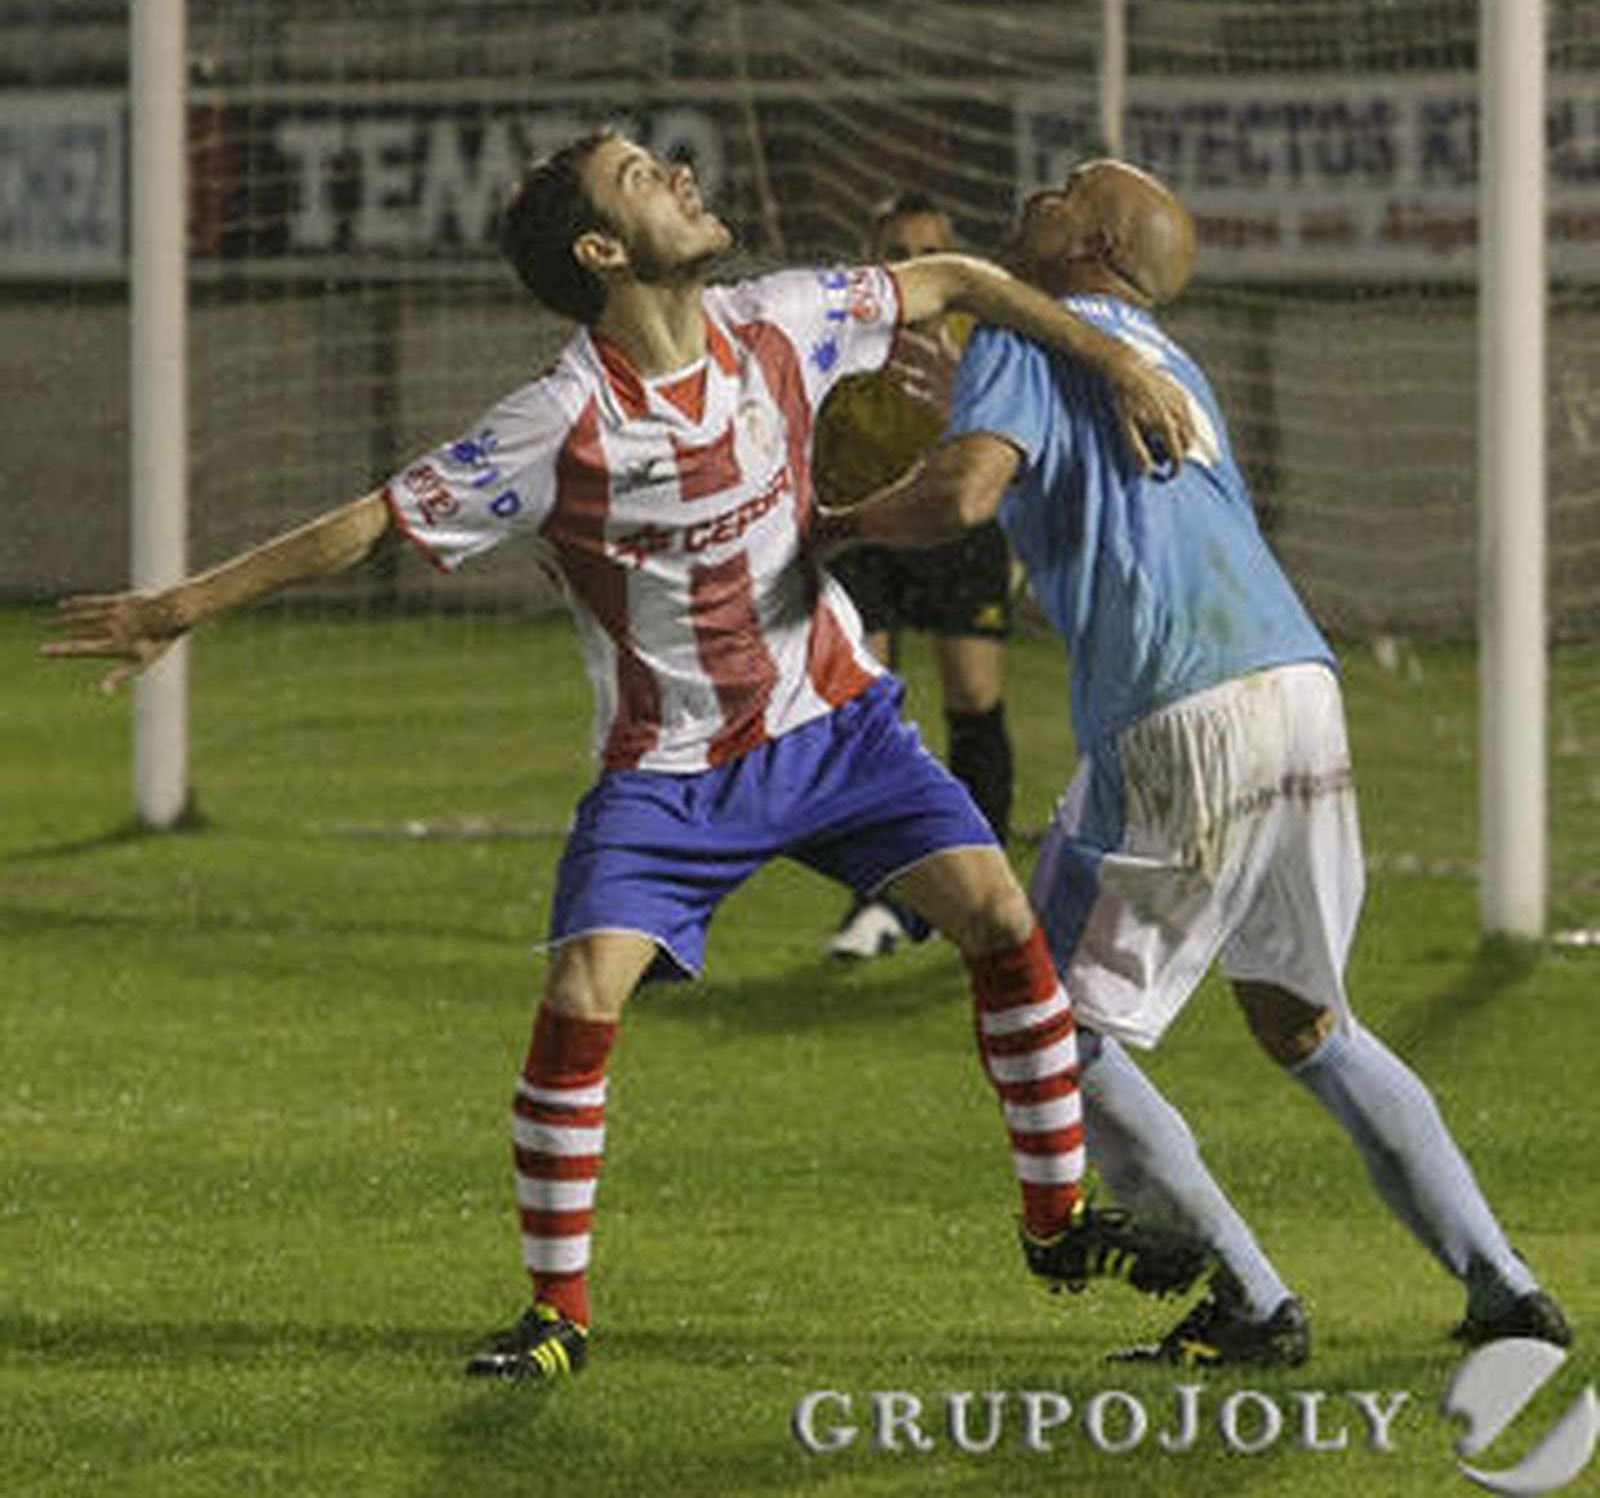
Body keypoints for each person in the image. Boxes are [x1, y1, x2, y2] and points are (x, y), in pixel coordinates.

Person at [45, 130, 1208, 1387]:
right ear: (603, 251)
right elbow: (378, 521)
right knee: (583, 997)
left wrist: (1106, 363)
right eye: (645, 177)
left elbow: (964, 280)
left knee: (998, 917)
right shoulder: (560, 420)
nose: (680, 176)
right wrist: (182, 607)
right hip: (670, 773)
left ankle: (1057, 1221)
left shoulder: (785, 319)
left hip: (837, 724)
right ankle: (555, 1313)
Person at [815, 156, 1573, 1366]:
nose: (1039, 190)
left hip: (1182, 708)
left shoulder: (1031, 330)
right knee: (1305, 1019)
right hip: (1297, 689)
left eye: (1066, 187)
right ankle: (1502, 1285)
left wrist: (839, 520)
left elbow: (964, 493)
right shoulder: (1164, 358)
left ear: (1097, 246)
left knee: (1041, 1021)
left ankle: (1250, 1299)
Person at [813, 191, 1015, 960]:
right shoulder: (838, 333)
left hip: (957, 532)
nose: (912, 264)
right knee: (869, 719)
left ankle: (987, 883)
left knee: (974, 700)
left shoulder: (979, 333)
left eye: (927, 249)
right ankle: (875, 901)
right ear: (875, 256)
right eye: (898, 250)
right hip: (866, 531)